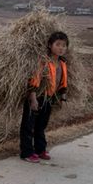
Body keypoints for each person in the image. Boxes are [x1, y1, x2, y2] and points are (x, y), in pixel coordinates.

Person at [20, 31, 69, 163]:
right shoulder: (43, 61)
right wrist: (33, 98)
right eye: (58, 44)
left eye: (64, 45)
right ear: (50, 45)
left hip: (49, 98)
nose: (61, 48)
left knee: (41, 125)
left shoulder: (62, 63)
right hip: (36, 97)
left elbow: (63, 82)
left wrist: (62, 98)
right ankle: (26, 152)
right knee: (28, 125)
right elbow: (34, 80)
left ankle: (40, 149)